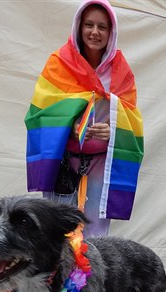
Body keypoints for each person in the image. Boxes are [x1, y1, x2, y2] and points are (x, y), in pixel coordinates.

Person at [24, 0, 143, 238]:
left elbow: (131, 117)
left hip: (100, 165)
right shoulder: (59, 63)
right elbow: (39, 113)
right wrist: (69, 126)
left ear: (112, 32)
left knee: (96, 233)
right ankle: (61, 276)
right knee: (58, 230)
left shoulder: (121, 69)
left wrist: (114, 131)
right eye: (89, 25)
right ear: (79, 27)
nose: (94, 32)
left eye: (102, 27)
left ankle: (92, 276)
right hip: (64, 163)